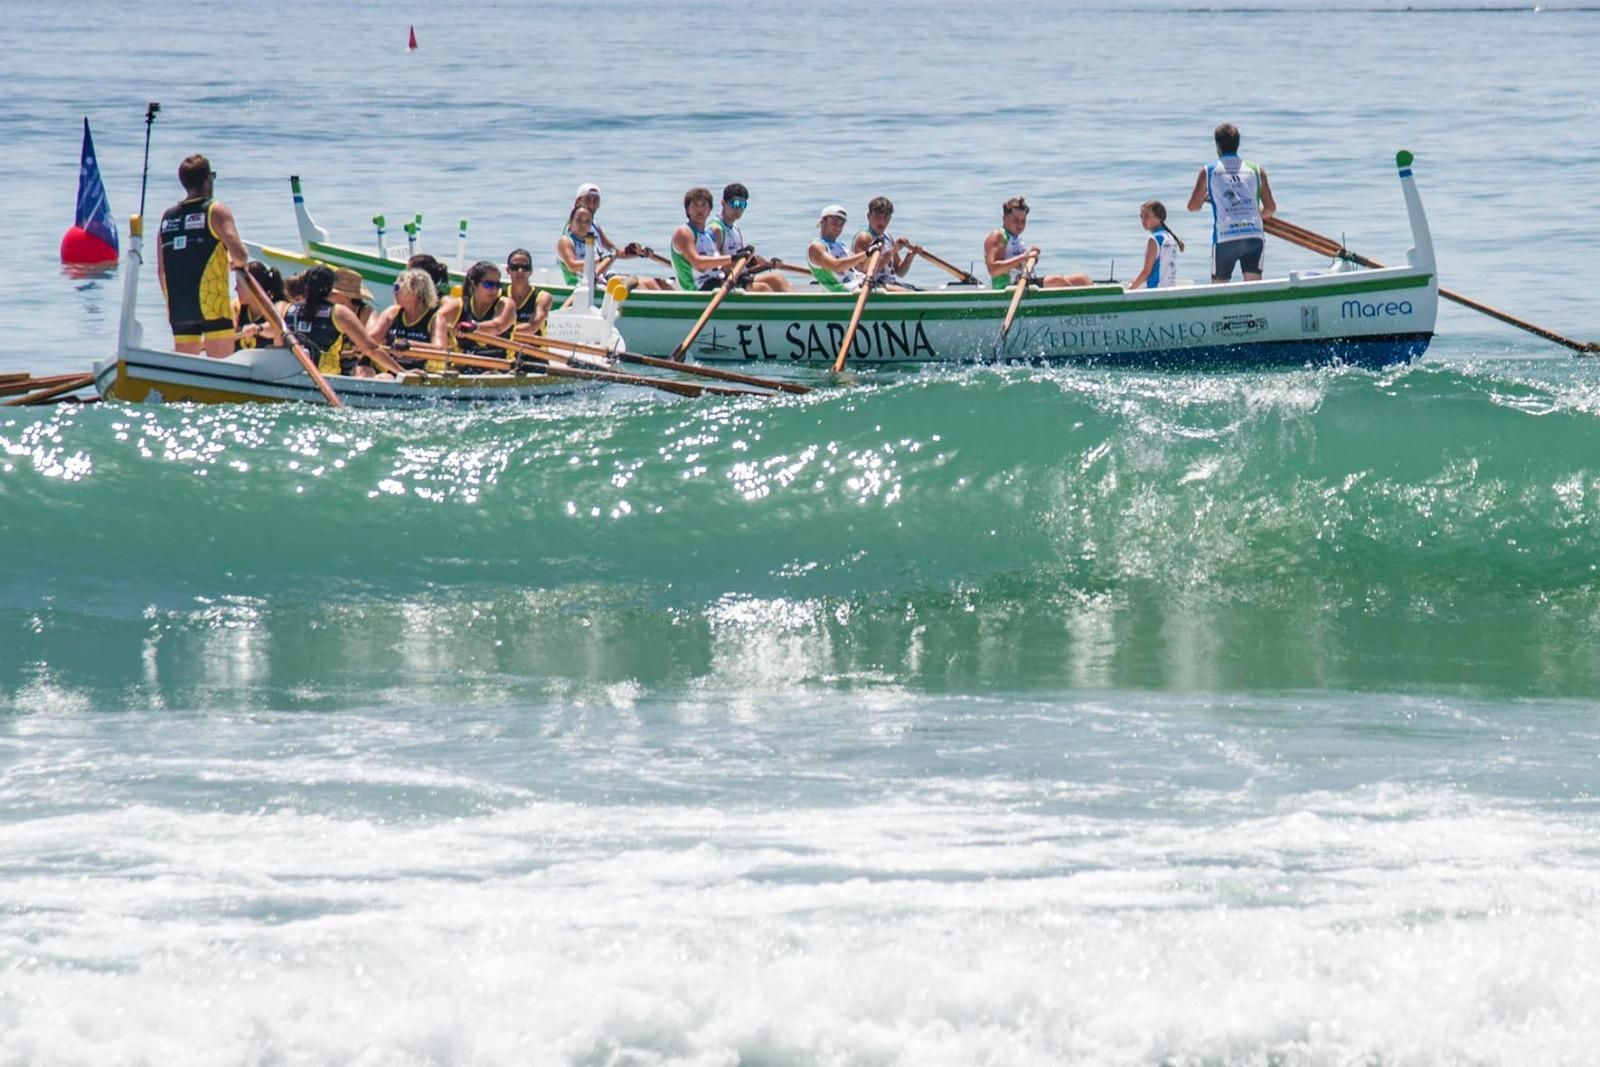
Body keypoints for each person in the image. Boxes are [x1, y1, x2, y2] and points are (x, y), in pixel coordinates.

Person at [157, 154, 250, 357]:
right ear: (208, 179)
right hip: (212, 305)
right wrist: (237, 259)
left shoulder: (168, 217)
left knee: (187, 371)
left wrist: (172, 303)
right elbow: (240, 256)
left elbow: (161, 269)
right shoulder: (216, 211)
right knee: (221, 369)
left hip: (179, 307)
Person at [1186, 122, 1276, 282]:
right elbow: (1270, 209)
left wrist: (1205, 197)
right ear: (1238, 144)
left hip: (1225, 236)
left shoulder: (1208, 171)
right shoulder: (1256, 170)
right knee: (1253, 286)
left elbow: (1193, 207)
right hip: (1253, 235)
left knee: (1219, 288)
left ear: (1217, 145)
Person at [281, 265, 388, 377]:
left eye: (333, 294)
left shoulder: (366, 312)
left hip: (362, 361)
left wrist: (359, 341)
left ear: (347, 297)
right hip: (335, 363)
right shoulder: (330, 311)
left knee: (363, 370)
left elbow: (374, 337)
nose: (328, 296)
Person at [982, 197, 1091, 290]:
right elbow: (993, 270)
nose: (1020, 225)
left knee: (1082, 279)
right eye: (1015, 220)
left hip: (1026, 282)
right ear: (1004, 219)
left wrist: (1031, 258)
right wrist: (1024, 257)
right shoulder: (998, 236)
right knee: (1057, 281)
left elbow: (1019, 264)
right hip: (1009, 288)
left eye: (1023, 221)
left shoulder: (1017, 238)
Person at [558, 202, 669, 291]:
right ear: (571, 221)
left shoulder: (591, 239)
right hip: (584, 285)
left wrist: (632, 251)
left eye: (587, 221)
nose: (583, 224)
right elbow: (572, 266)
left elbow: (613, 252)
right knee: (641, 287)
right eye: (578, 220)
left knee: (657, 282)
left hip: (603, 277)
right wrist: (600, 260)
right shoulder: (566, 241)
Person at [708, 183, 791, 293]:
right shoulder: (716, 229)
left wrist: (766, 265)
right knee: (763, 288)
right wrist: (747, 257)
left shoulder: (735, 229)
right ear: (723, 203)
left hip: (740, 278)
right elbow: (720, 267)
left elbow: (743, 268)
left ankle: (801, 308)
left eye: (743, 204)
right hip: (724, 281)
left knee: (778, 279)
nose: (739, 209)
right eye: (735, 204)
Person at [670, 186, 743, 291]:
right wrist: (733, 258)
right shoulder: (684, 232)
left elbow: (718, 266)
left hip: (716, 283)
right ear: (688, 210)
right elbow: (698, 263)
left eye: (704, 205)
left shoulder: (709, 235)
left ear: (710, 210)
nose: (700, 210)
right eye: (695, 205)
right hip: (696, 290)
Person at [448, 261, 516, 362]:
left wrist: (474, 327)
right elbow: (439, 320)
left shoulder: (506, 304)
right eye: (488, 284)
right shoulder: (460, 304)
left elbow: (498, 326)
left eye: (497, 285)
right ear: (474, 284)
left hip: (500, 367)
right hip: (464, 366)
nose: (494, 289)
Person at [851, 196, 920, 290]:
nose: (881, 221)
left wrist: (910, 256)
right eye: (877, 216)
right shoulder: (864, 237)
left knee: (917, 290)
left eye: (885, 216)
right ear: (868, 216)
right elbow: (867, 270)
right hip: (870, 285)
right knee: (910, 294)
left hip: (889, 283)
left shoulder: (887, 237)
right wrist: (893, 250)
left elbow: (900, 272)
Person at [807, 205, 875, 292]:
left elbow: (862, 267)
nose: (838, 226)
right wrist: (867, 253)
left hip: (860, 284)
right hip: (841, 290)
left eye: (841, 223)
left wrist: (875, 252)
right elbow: (836, 266)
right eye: (834, 222)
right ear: (823, 222)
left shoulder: (842, 246)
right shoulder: (816, 246)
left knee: (889, 286)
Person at [1126, 200, 1185, 290]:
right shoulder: (1170, 238)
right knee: (1132, 282)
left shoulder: (1154, 239)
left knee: (1131, 285)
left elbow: (1146, 272)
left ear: (1159, 218)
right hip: (1169, 288)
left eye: (1147, 216)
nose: (1143, 220)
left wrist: (1129, 291)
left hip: (1155, 290)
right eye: (1141, 217)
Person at [234, 261, 284, 351]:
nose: (235, 288)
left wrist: (258, 329)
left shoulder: (279, 306)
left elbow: (276, 328)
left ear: (254, 287)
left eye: (239, 284)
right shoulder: (236, 306)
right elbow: (229, 331)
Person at [505, 248, 552, 338]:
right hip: (508, 351)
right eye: (515, 267)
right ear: (508, 270)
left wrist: (498, 330)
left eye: (525, 267)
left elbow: (532, 327)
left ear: (531, 271)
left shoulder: (542, 297)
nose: (520, 271)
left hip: (533, 350)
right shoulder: (500, 295)